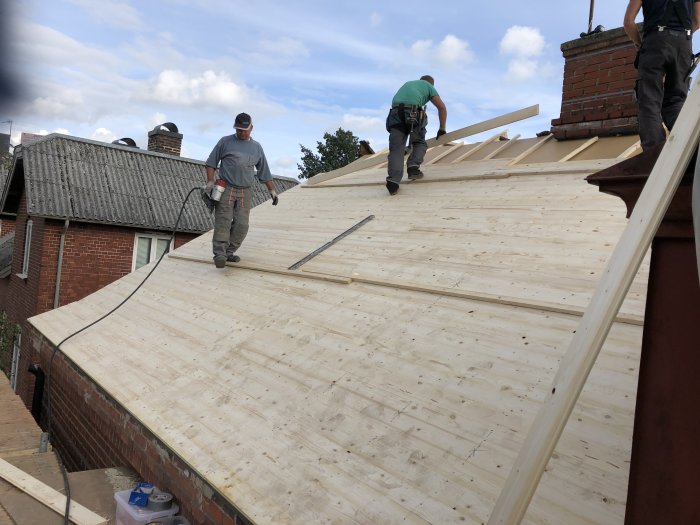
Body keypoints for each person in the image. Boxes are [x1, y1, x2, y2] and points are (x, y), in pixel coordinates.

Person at [624, 0, 700, 151]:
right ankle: (688, 151)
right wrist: (680, 34)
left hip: (655, 42)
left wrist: (640, 44)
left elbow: (628, 22)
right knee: (676, 101)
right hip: (683, 44)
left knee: (649, 99)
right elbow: (697, 21)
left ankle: (654, 154)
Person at [205, 112, 278, 268]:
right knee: (223, 221)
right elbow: (211, 163)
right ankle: (219, 254)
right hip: (226, 188)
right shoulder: (225, 142)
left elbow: (264, 171)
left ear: (251, 128)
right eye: (239, 130)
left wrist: (272, 191)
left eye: (245, 130)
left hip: (245, 190)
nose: (242, 133)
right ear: (235, 128)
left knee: (242, 226)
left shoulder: (257, 147)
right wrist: (210, 182)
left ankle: (229, 253)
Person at [385, 75, 447, 195]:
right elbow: (442, 108)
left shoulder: (409, 83)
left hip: (395, 113)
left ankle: (393, 182)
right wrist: (442, 128)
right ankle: (413, 168)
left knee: (396, 149)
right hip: (412, 113)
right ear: (431, 84)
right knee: (419, 142)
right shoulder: (429, 86)